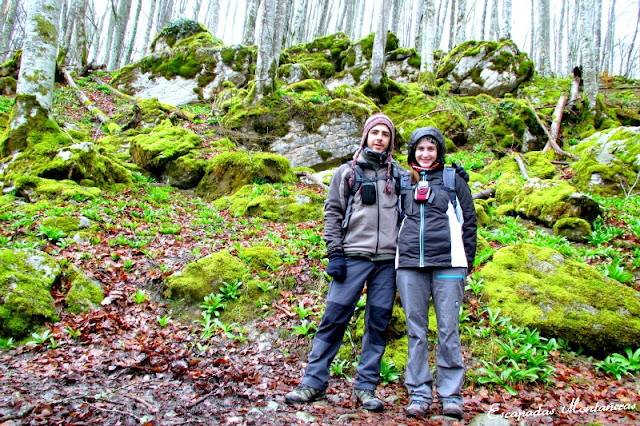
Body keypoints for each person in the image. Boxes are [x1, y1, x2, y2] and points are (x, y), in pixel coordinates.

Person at [285, 112, 405, 412]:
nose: (379, 137)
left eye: (385, 134)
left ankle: (366, 388)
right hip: (351, 258)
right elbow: (332, 214)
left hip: (387, 264)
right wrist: (335, 253)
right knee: (333, 320)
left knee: (377, 325)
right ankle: (313, 382)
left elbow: (426, 184)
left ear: (391, 141)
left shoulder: (400, 176)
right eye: (374, 132)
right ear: (365, 136)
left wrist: (454, 181)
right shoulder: (346, 172)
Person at [395, 127, 477, 419]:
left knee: (448, 330)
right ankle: (418, 393)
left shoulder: (454, 180)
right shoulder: (403, 180)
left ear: (439, 152)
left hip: (449, 265)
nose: (425, 154)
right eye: (420, 149)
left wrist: (467, 262)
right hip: (409, 266)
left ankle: (451, 395)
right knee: (416, 331)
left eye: (431, 149)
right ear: (412, 152)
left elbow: (469, 224)